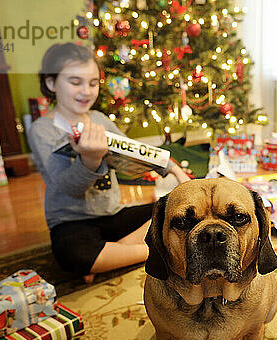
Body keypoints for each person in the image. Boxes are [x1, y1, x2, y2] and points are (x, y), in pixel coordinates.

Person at [27, 42, 190, 283]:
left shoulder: (99, 119)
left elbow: (136, 152)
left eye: (93, 83)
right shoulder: (42, 129)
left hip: (112, 215)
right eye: (75, 82)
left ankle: (114, 253)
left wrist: (174, 169)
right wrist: (90, 161)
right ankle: (153, 251)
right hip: (72, 222)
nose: (87, 91)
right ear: (51, 83)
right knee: (72, 255)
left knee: (171, 209)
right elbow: (66, 188)